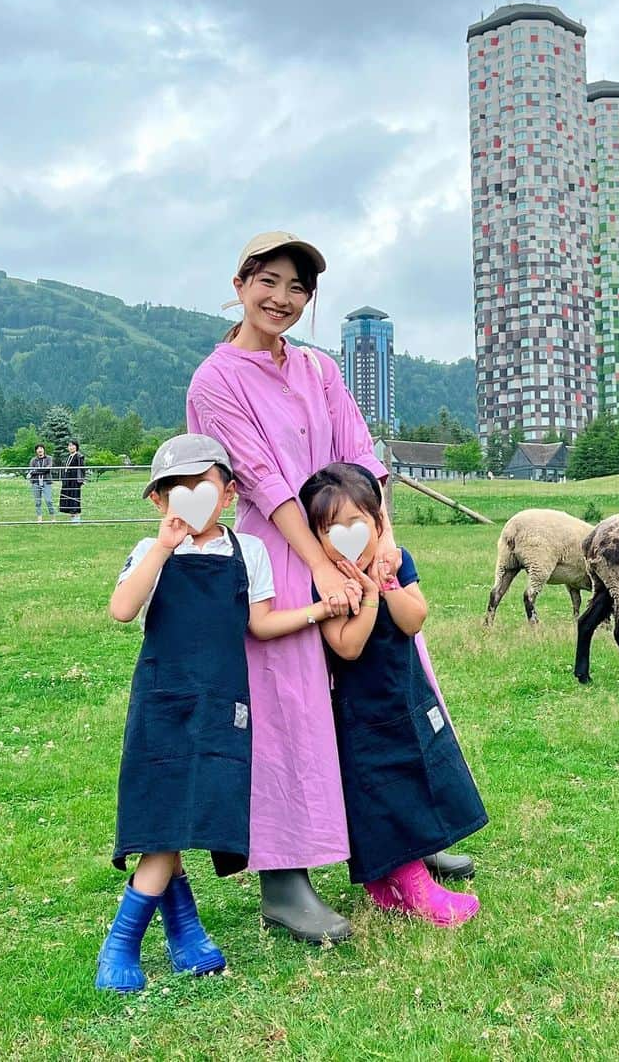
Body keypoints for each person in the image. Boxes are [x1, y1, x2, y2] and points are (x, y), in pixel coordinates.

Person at [186, 230, 475, 944]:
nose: (282, 299)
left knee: (397, 683)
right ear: (241, 280)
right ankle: (286, 883)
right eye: (269, 281)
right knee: (292, 713)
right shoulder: (215, 380)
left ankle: (409, 831)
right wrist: (318, 563)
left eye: (297, 288)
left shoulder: (318, 370)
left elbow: (360, 453)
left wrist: (386, 538)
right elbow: (261, 476)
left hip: (358, 543)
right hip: (283, 556)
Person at [95, 433, 352, 992]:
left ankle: (184, 930)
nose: (189, 496)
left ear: (229, 493)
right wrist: (162, 548)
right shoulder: (150, 552)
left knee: (190, 814)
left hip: (223, 707)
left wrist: (315, 610)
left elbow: (258, 625)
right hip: (164, 703)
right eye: (175, 488)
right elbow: (121, 610)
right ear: (158, 501)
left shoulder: (246, 552)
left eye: (201, 485)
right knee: (164, 821)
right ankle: (123, 940)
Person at [301, 463, 486, 926]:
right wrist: (363, 599)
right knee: (383, 790)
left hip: (407, 694)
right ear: (318, 538)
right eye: (331, 529)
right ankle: (414, 886)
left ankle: (393, 879)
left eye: (356, 522)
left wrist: (385, 586)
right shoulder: (326, 585)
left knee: (421, 772)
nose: (346, 535)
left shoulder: (397, 563)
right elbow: (346, 644)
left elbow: (414, 618)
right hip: (362, 708)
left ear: (378, 523)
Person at [59, 439, 87, 523]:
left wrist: (82, 479)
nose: (71, 447)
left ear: (76, 447)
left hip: (75, 481)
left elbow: (82, 469)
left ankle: (77, 518)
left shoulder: (79, 456)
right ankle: (72, 517)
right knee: (68, 498)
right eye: (69, 446)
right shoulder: (68, 457)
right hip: (67, 481)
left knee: (75, 498)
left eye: (73, 445)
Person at [27, 443, 55, 521]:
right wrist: (41, 470)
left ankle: (53, 517)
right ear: (36, 451)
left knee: (48, 500)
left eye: (41, 448)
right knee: (37, 501)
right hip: (35, 482)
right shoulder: (33, 460)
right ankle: (39, 519)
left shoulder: (49, 458)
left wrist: (37, 470)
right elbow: (31, 471)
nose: (40, 450)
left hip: (47, 481)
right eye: (38, 449)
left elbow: (48, 468)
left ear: (44, 450)